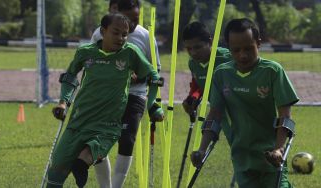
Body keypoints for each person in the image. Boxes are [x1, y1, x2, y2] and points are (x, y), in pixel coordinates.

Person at [47, 13, 163, 188]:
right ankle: (75, 168)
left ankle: (82, 165)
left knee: (87, 155)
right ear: (103, 31)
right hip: (79, 120)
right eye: (116, 33)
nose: (121, 38)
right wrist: (63, 102)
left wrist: (152, 104)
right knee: (56, 170)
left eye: (124, 34)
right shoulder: (86, 52)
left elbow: (153, 77)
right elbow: (70, 77)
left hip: (107, 126)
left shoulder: (130, 53)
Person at [191, 18, 299, 188]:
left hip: (271, 158)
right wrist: (202, 149)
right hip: (242, 158)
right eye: (236, 50)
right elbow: (215, 115)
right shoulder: (222, 74)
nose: (243, 55)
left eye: (249, 48)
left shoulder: (272, 71)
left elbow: (285, 116)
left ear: (259, 43)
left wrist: (279, 149)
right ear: (229, 48)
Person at [90, 0, 163, 188]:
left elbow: (155, 71)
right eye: (128, 19)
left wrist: (139, 77)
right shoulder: (99, 34)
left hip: (135, 95)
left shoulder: (146, 36)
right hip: (106, 96)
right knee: (98, 141)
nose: (132, 25)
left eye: (136, 19)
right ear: (116, 13)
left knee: (127, 139)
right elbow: (93, 63)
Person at [181, 21, 233, 145]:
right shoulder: (193, 63)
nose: (193, 53)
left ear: (210, 41)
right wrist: (192, 98)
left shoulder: (228, 58)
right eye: (189, 48)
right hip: (220, 113)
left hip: (241, 112)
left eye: (198, 47)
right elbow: (198, 84)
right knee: (237, 150)